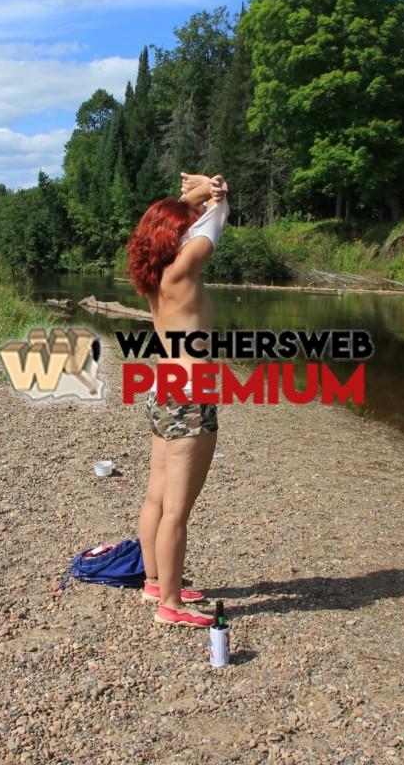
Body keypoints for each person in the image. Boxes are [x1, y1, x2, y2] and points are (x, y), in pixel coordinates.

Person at [125, 172, 230, 627]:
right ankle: (170, 603)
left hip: (161, 389)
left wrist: (199, 193)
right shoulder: (184, 269)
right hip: (191, 395)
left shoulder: (154, 276)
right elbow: (212, 226)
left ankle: (154, 582)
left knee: (156, 497)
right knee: (176, 511)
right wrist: (215, 196)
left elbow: (189, 226)